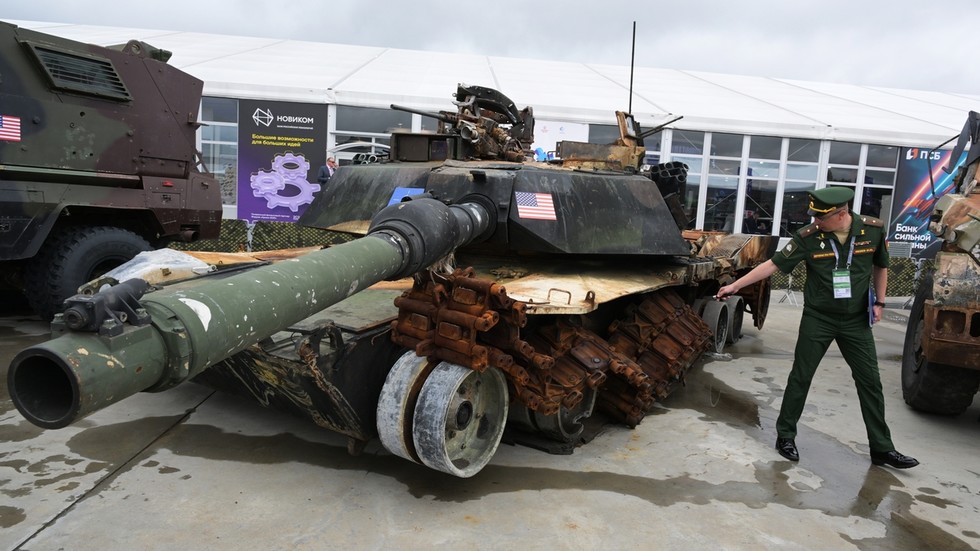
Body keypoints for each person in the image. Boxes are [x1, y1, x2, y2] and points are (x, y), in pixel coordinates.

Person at [716, 186, 918, 469]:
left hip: (856, 321)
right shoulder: (808, 237)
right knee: (801, 376)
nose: (815, 222)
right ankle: (785, 435)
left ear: (842, 213)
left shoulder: (872, 231)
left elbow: (880, 266)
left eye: (822, 218)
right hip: (818, 318)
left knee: (870, 382)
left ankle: (882, 448)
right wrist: (735, 285)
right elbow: (772, 265)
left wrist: (880, 302)